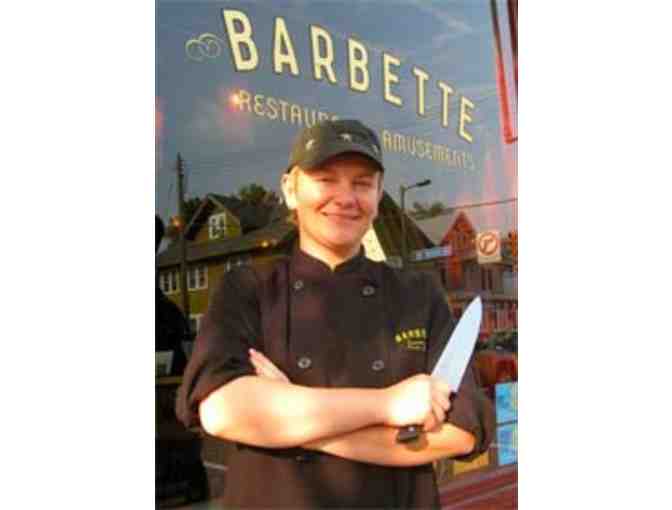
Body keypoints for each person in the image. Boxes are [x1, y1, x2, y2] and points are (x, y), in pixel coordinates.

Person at [175, 119, 495, 508]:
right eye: (325, 179)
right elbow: (223, 410)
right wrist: (387, 404)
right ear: (290, 189)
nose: (345, 197)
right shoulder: (247, 290)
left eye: (362, 184)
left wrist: (289, 420)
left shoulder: (418, 295)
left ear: (378, 195)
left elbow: (461, 432)